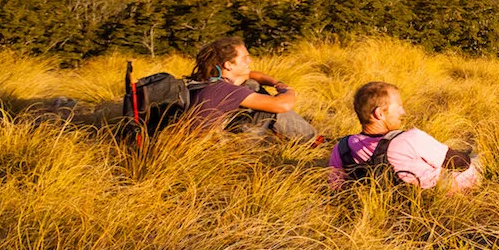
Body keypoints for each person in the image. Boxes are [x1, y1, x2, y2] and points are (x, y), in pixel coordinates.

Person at [327, 81, 481, 192]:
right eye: (399, 106)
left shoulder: (342, 147)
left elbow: (336, 187)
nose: (403, 112)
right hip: (449, 189)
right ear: (379, 113)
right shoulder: (410, 139)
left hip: (394, 201)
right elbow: (460, 162)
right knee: (476, 157)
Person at [186, 36, 318, 141]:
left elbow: (250, 74)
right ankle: (311, 139)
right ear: (228, 65)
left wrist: (276, 84)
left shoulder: (208, 81)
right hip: (213, 150)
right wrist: (289, 90)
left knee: (251, 85)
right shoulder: (227, 90)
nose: (249, 61)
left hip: (198, 140)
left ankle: (294, 135)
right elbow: (282, 105)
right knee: (269, 108)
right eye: (245, 58)